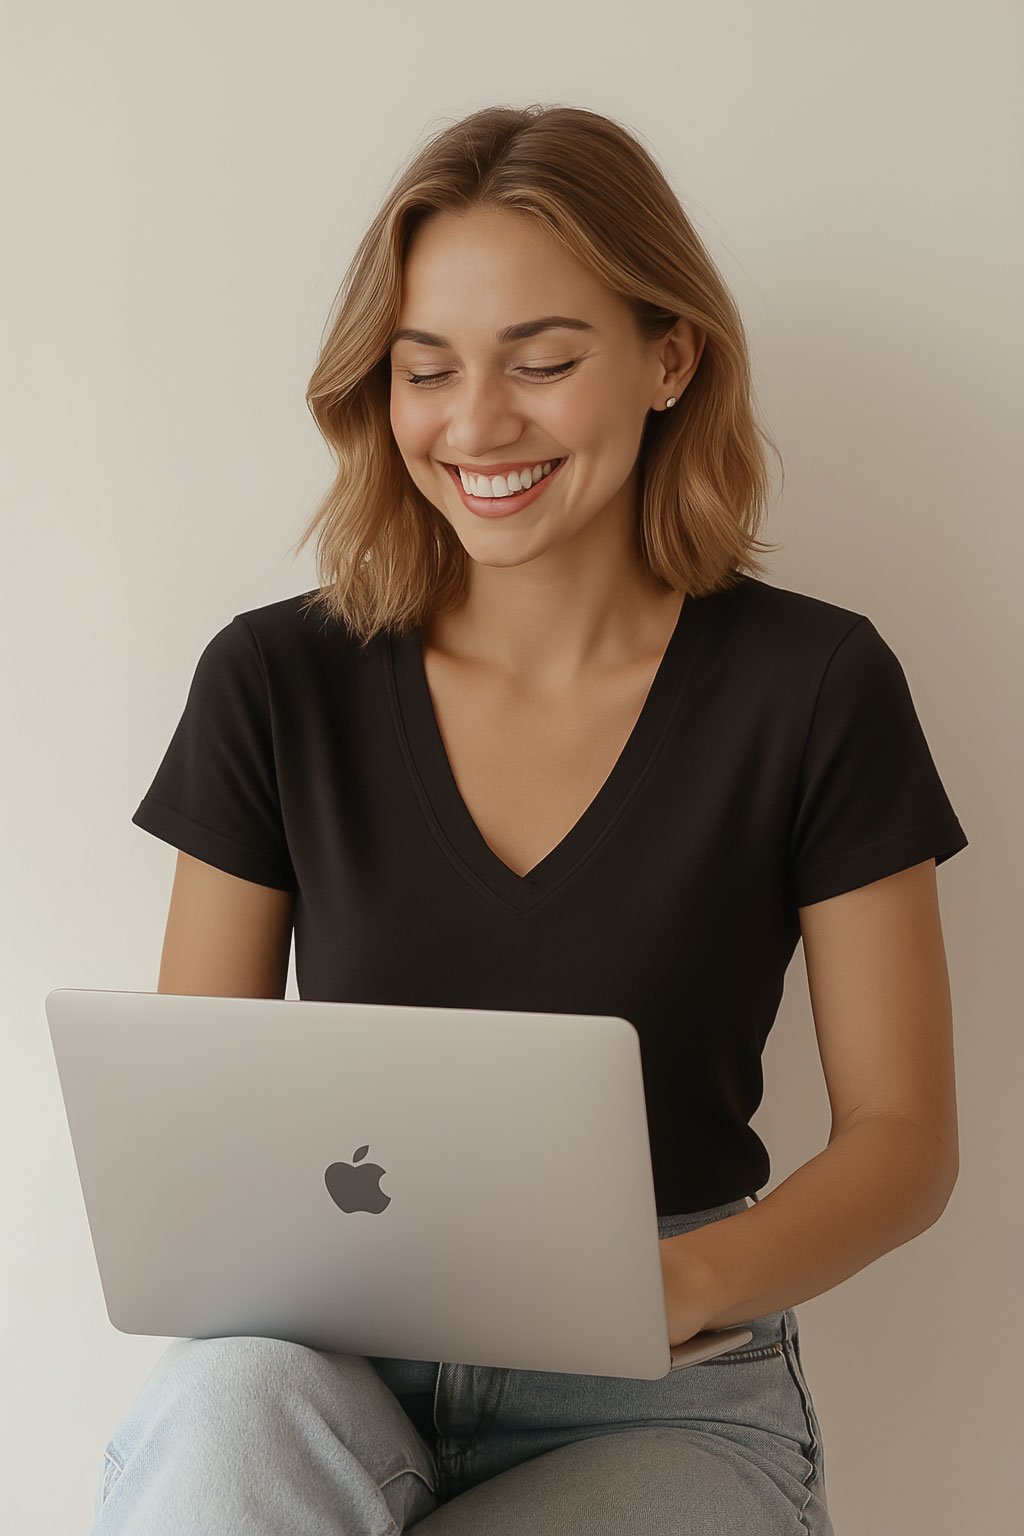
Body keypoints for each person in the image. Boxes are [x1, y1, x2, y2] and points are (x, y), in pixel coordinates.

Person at [93, 104, 967, 1534]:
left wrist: (671, 1287)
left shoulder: (813, 683)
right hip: (334, 1356)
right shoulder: (276, 679)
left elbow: (903, 1138)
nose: (477, 423)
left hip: (665, 1382)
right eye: (425, 369)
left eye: (543, 362)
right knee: (222, 1416)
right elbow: (202, 1146)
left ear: (669, 357)